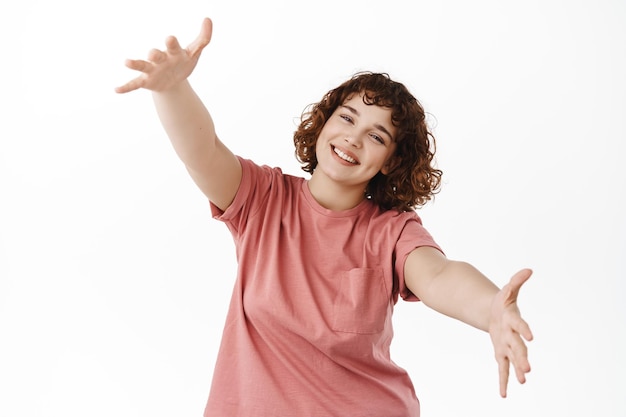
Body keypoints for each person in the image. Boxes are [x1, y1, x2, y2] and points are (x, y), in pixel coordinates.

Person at [116, 17, 533, 417]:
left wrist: (490, 307)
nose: (353, 137)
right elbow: (202, 151)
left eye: (376, 136)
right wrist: (173, 90)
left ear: (391, 161)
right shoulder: (263, 199)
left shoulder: (391, 230)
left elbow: (439, 276)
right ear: (324, 123)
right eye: (347, 118)